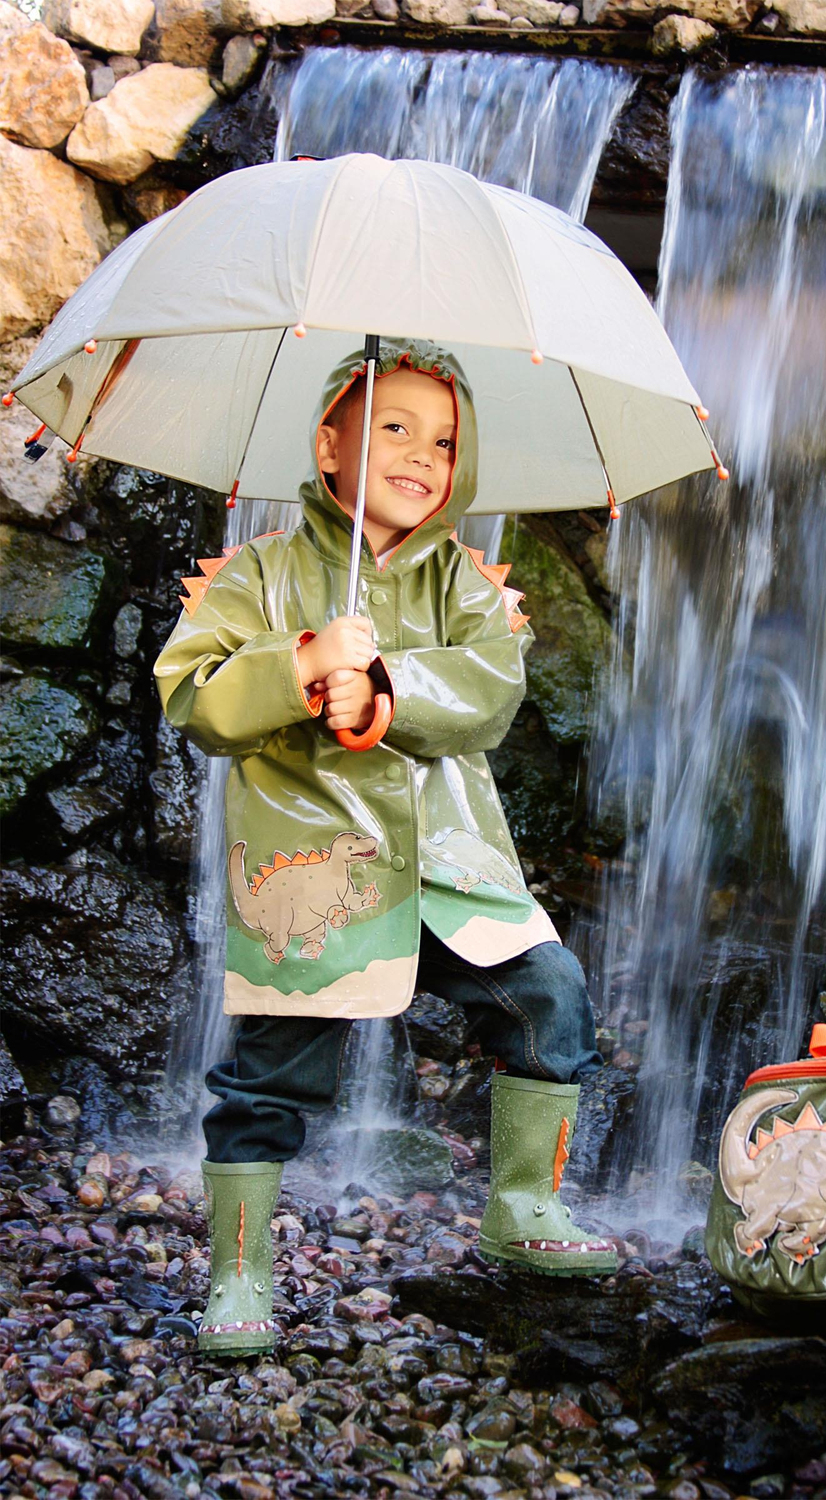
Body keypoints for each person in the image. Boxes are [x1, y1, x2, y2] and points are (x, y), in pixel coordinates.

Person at [154, 338, 616, 1358]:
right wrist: (300, 663)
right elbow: (193, 696)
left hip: (451, 867)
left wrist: (387, 687)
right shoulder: (261, 574)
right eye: (393, 428)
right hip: (315, 872)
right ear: (330, 445)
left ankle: (523, 1203)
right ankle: (239, 1271)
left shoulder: (465, 582)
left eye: (443, 441)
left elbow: (491, 690)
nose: (421, 455)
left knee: (549, 992)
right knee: (269, 1073)